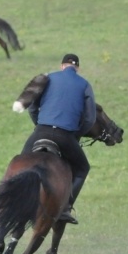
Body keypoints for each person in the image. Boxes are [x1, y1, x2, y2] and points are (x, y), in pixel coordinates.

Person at [16, 53, 96, 225]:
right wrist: (76, 134)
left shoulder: (49, 78)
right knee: (83, 168)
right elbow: (90, 118)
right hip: (65, 135)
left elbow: (32, 108)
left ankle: (14, 194)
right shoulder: (85, 85)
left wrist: (39, 125)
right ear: (78, 68)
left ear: (62, 66)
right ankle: (65, 208)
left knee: (21, 161)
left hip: (41, 131)